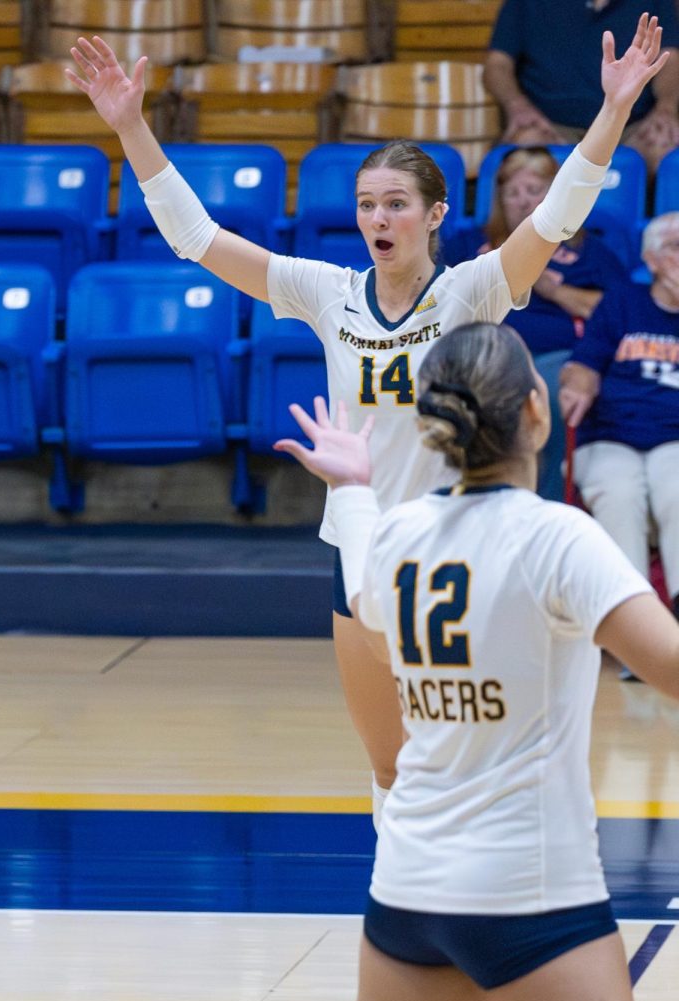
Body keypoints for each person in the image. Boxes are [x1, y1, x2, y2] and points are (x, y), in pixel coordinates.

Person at [67, 15, 669, 823]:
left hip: (456, 547)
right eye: (366, 206)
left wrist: (613, 110)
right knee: (387, 768)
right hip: (358, 542)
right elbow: (196, 238)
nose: (378, 220)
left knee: (460, 750)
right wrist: (132, 126)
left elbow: (556, 217)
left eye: (395, 204)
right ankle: (402, 915)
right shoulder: (327, 291)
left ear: (434, 216)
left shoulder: (472, 289)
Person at [274, 322, 679, 1001]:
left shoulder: (400, 536)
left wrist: (355, 488)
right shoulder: (559, 537)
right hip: (532, 892)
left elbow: (364, 587)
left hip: (411, 888)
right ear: (538, 410)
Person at [444, 146, 630, 501]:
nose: (522, 201)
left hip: (556, 357)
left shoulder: (588, 252)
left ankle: (545, 505)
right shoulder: (469, 244)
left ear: (555, 194)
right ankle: (476, 503)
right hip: (482, 354)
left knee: (547, 397)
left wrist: (552, 287)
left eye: (533, 191)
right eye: (512, 192)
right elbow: (434, 297)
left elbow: (619, 314)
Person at [558, 210, 679, 628]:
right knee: (618, 491)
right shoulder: (623, 301)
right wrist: (577, 385)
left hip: (675, 440)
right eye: (676, 247)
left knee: (676, 488)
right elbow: (584, 364)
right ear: (652, 260)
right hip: (610, 435)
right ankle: (635, 626)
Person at [484, 0, 679, 174]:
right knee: (526, 152)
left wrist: (666, 108)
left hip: (631, 126)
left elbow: (670, 60)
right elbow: (496, 64)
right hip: (549, 126)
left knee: (666, 146)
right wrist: (517, 106)